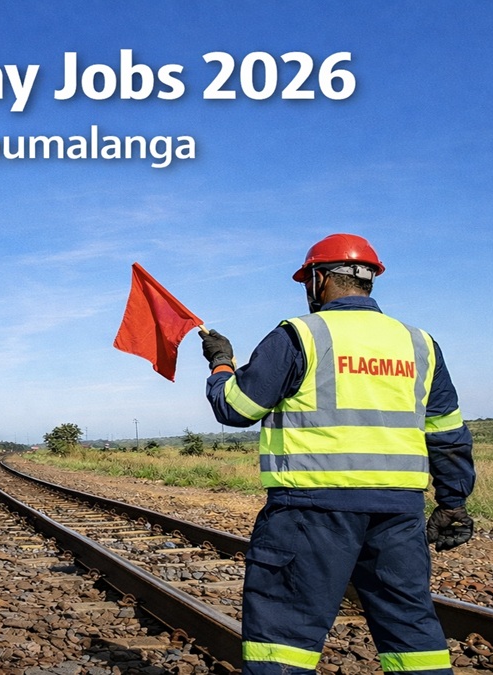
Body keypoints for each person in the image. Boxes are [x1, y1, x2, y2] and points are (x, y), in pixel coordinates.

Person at [199, 233, 474, 675]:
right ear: (369, 280)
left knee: (283, 638)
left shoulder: (300, 335)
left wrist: (221, 364)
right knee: (412, 631)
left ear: (319, 279)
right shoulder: (419, 343)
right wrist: (453, 503)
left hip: (310, 509)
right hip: (398, 512)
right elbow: (448, 432)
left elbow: (236, 407)